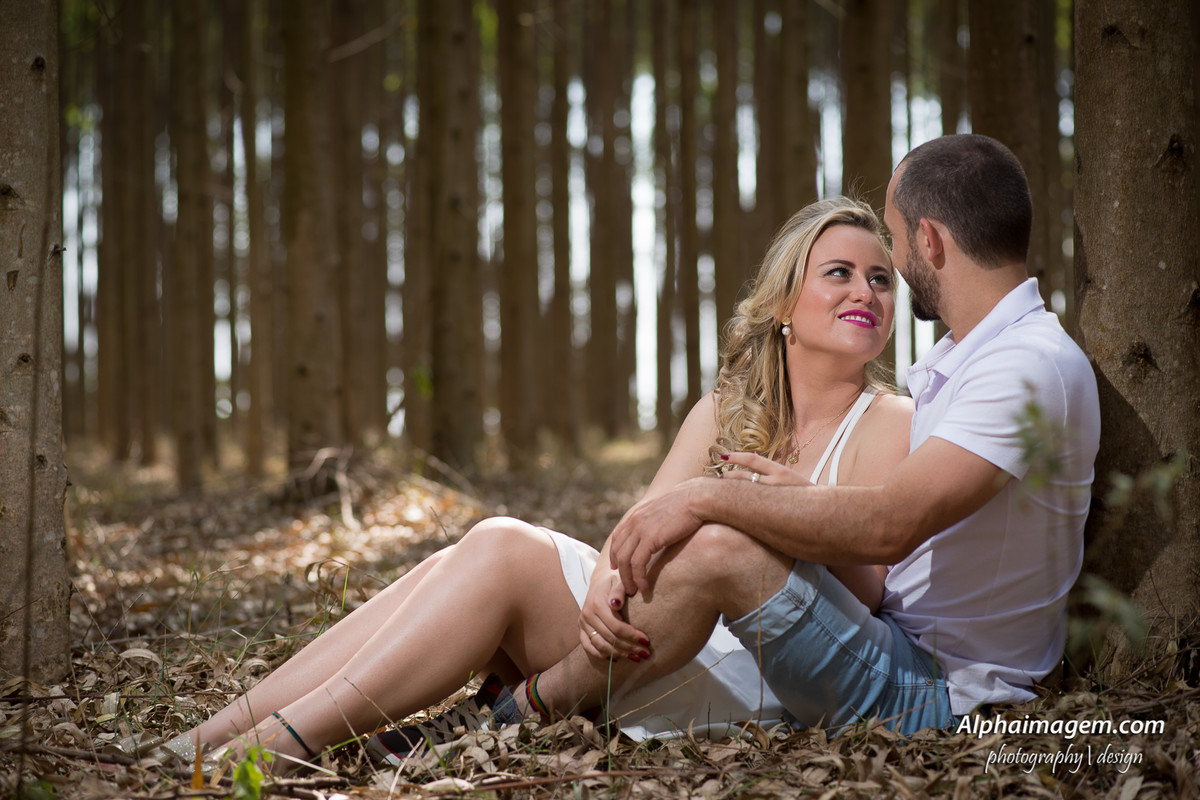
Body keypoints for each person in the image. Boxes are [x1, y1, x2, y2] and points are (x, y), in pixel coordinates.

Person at [156, 196, 909, 771]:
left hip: (747, 671)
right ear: (783, 306)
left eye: (881, 279)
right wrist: (607, 581)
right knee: (457, 560)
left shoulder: (888, 420)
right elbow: (640, 521)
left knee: (501, 545)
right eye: (838, 273)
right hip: (648, 629)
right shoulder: (724, 411)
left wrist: (790, 509)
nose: (866, 293)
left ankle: (281, 744)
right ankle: (209, 735)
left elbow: (872, 591)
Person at [518, 133, 1101, 738]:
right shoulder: (973, 364)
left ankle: (521, 710)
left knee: (721, 547)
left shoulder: (1026, 366)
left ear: (928, 240)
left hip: (945, 693)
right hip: (900, 652)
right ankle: (497, 701)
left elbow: (888, 526)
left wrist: (710, 497)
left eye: (893, 248)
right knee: (503, 544)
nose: (890, 271)